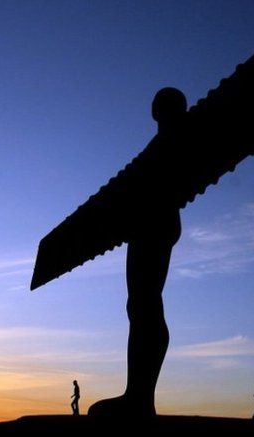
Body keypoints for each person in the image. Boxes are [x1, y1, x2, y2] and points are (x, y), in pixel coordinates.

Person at [88, 88, 187, 418]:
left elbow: (162, 182)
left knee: (146, 302)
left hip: (156, 223)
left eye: (162, 103)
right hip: (149, 223)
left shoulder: (176, 138)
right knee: (140, 303)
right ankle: (138, 393)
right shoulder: (160, 144)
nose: (156, 108)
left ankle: (140, 397)